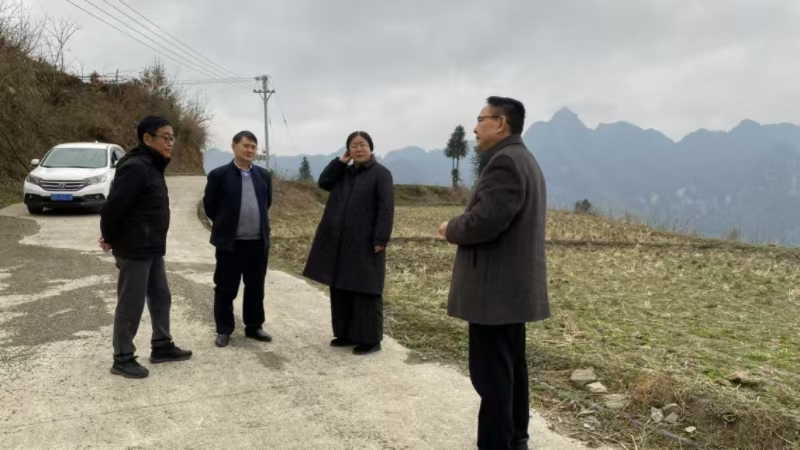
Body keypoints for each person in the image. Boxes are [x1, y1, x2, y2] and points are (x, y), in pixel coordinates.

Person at [439, 96, 550, 449]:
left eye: (480, 119)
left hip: (494, 293)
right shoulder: (523, 159)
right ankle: (516, 437)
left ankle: (497, 443)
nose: (474, 128)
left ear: (500, 123)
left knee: (493, 377)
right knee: (511, 368)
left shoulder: (504, 162)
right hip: (509, 292)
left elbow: (485, 222)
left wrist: (450, 228)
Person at [99, 115, 192, 379]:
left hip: (152, 246)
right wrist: (108, 236)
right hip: (134, 247)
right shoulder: (136, 167)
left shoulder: (153, 165)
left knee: (161, 297)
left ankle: (162, 345)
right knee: (131, 303)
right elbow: (114, 207)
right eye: (165, 138)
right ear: (147, 138)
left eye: (172, 138)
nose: (170, 143)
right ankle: (122, 357)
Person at [302, 131, 394, 356]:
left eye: (363, 145)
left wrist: (381, 238)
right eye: (354, 146)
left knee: (365, 289)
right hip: (340, 242)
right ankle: (345, 334)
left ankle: (370, 339)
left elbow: (386, 208)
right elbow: (324, 182)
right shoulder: (343, 172)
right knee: (340, 288)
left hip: (366, 243)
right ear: (348, 151)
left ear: (370, 148)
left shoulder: (381, 174)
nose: (359, 149)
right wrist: (340, 163)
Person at [203, 131, 273, 348]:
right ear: (234, 147)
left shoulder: (263, 175)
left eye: (253, 146)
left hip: (257, 243)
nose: (250, 150)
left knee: (255, 287)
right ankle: (224, 329)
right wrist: (225, 224)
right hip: (230, 244)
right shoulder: (219, 175)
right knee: (225, 287)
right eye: (245, 145)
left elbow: (266, 203)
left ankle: (254, 326)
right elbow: (210, 206)